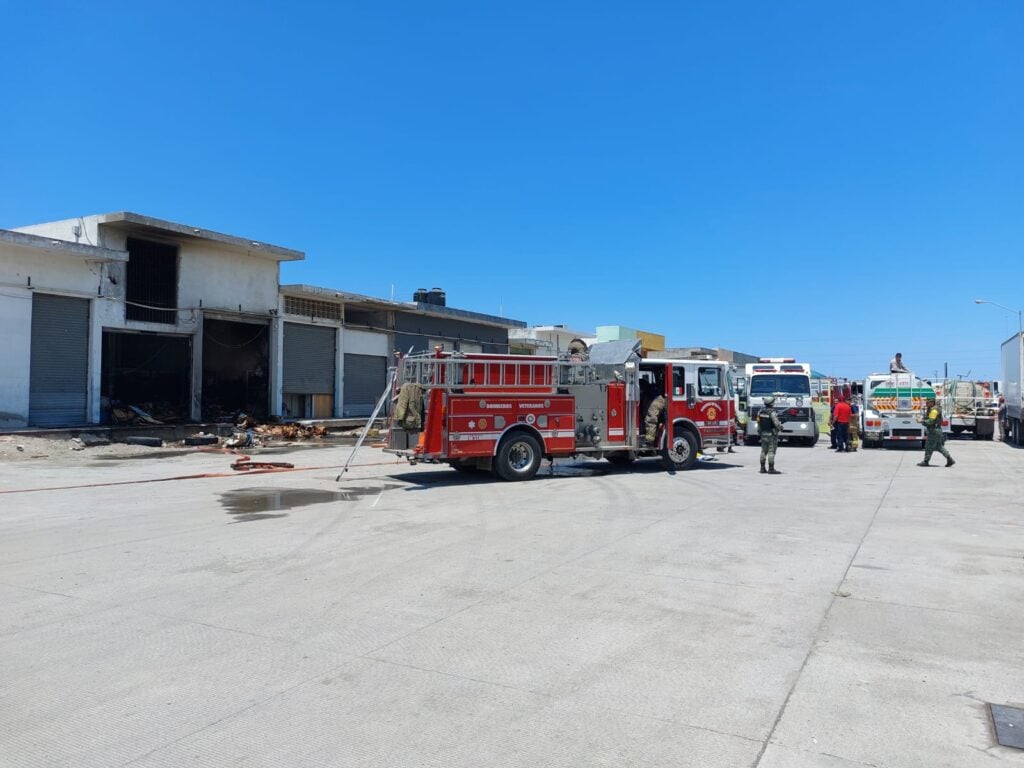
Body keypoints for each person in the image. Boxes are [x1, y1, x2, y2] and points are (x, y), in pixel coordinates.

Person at [918, 395, 955, 467]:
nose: (926, 404)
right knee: (939, 446)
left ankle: (926, 461)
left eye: (928, 402)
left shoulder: (934, 410)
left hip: (933, 431)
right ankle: (950, 459)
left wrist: (922, 421)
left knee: (928, 446)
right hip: (937, 430)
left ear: (932, 402)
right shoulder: (932, 409)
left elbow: (931, 421)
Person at [757, 395, 784, 474]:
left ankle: (762, 468)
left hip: (763, 433)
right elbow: (776, 423)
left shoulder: (760, 411)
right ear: (772, 403)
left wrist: (760, 432)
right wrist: (781, 427)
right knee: (771, 451)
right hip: (771, 434)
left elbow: (758, 422)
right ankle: (771, 469)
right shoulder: (772, 412)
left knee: (763, 451)